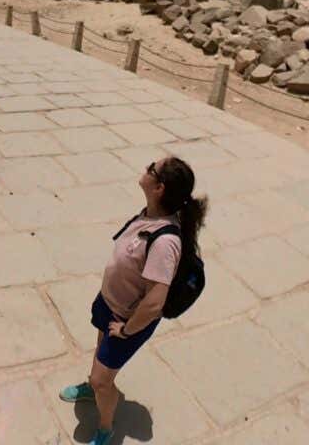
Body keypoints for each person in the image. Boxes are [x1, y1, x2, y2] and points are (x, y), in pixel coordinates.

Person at [57, 157, 208, 445]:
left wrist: (126, 330)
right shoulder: (149, 214)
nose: (145, 169)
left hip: (127, 321)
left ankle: (105, 428)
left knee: (103, 380)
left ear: (159, 188)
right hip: (110, 304)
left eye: (151, 168)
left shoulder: (165, 243)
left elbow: (154, 304)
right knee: (100, 353)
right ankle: (94, 386)